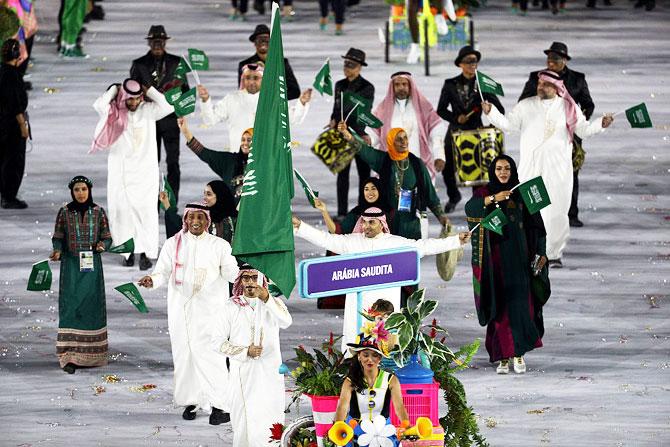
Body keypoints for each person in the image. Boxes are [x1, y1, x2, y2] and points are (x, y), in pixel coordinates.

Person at [482, 71, 614, 267]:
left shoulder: (568, 108)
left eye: (545, 84)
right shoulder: (525, 106)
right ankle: (531, 251)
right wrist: (491, 111)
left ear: (556, 87)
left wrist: (600, 124)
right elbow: (509, 126)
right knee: (531, 211)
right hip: (531, 170)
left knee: (557, 211)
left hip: (558, 171)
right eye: (539, 83)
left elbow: (583, 130)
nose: (540, 87)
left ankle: (553, 254)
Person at [293, 208, 469, 349]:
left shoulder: (395, 242)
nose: (366, 226)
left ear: (381, 224)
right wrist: (300, 227)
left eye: (372, 222)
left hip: (386, 305)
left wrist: (455, 241)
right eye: (364, 222)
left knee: (386, 346)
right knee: (355, 344)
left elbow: (424, 246)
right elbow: (326, 240)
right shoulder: (352, 242)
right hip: (358, 306)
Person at [138, 203, 239, 424]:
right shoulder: (173, 244)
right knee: (185, 356)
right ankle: (192, 401)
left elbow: (232, 272)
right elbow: (161, 272)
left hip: (210, 311)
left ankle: (221, 407)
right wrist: (151, 281)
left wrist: (247, 277)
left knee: (212, 357)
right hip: (180, 311)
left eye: (200, 218)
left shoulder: (219, 245)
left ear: (207, 221)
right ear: (185, 220)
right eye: (191, 217)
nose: (195, 221)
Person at [465, 155, 550, 374]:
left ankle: (519, 354)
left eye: (507, 168)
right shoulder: (484, 193)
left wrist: (541, 252)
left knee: (521, 306)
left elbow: (537, 227)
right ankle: (502, 357)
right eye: (499, 168)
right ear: (493, 171)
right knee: (499, 308)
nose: (503, 172)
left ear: (513, 171)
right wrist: (495, 198)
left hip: (520, 260)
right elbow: (471, 208)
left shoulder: (522, 192)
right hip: (495, 263)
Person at [91, 78, 173, 270]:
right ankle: (127, 252)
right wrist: (113, 89)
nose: (134, 103)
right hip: (120, 173)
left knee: (146, 213)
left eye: (137, 99)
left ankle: (144, 253)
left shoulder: (148, 111)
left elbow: (167, 107)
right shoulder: (115, 113)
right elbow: (98, 104)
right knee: (122, 214)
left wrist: (150, 90)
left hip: (145, 173)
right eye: (130, 99)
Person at [212, 265, 292, 447]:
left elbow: (286, 321)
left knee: (271, 414)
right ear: (240, 281)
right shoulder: (230, 307)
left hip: (270, 372)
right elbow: (216, 342)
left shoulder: (272, 304)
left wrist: (266, 298)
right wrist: (244, 351)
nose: (250, 282)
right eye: (246, 278)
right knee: (245, 420)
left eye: (254, 277)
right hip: (243, 372)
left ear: (262, 281)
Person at [519, 42, 595, 228]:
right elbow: (523, 101)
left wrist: (576, 121)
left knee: (569, 176)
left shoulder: (577, 79)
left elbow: (588, 104)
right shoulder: (537, 78)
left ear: (565, 60)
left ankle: (571, 214)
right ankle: (536, 212)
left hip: (567, 138)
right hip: (542, 135)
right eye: (549, 59)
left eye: (555, 59)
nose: (551, 62)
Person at [338, 123, 448, 240]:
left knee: (409, 256)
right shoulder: (384, 160)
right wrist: (347, 134)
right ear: (391, 142)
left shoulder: (416, 164)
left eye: (405, 137)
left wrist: (441, 217)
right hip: (388, 222)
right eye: (399, 139)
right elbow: (364, 151)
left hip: (410, 224)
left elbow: (429, 193)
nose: (403, 142)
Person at [49, 176, 112, 374]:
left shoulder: (98, 212)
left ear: (89, 190)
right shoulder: (65, 212)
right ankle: (68, 356)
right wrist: (57, 250)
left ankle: (91, 357)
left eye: (84, 189)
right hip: (71, 268)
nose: (81, 193)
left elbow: (107, 237)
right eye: (77, 190)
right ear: (72, 192)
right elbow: (58, 236)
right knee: (71, 306)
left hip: (92, 268)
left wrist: (103, 245)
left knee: (91, 305)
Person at [436, 45, 505, 213]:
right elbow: (441, 109)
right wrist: (455, 118)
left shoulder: (483, 85)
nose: (472, 65)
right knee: (447, 168)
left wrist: (489, 110)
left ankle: (477, 203)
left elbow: (500, 110)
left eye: (474, 61)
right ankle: (454, 196)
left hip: (477, 132)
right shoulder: (450, 84)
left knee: (479, 173)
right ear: (460, 64)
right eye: (468, 62)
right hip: (455, 131)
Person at [130, 25, 189, 202]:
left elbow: (185, 90)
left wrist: (182, 111)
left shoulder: (177, 62)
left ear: (165, 42)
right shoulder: (139, 64)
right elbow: (131, 92)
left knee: (173, 163)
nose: (157, 44)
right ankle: (150, 203)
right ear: (149, 43)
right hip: (148, 120)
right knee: (149, 163)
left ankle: (171, 203)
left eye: (160, 41)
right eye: (154, 41)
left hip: (171, 120)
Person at [198, 63, 311, 152]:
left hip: (267, 159)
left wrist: (302, 103)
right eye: (247, 77)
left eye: (256, 78)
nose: (251, 81)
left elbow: (294, 119)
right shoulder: (231, 99)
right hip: (239, 158)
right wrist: (205, 100)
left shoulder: (273, 100)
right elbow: (210, 120)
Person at [333, 330, 409, 442]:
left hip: (384, 432)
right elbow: (342, 407)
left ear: (380, 358)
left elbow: (399, 407)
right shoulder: (350, 381)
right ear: (359, 356)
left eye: (375, 355)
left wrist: (406, 425)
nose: (370, 360)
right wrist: (338, 427)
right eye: (365, 355)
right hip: (355, 431)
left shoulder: (391, 380)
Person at [371, 71, 446, 181]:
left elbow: (436, 132)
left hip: (418, 163)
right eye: (397, 85)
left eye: (404, 84)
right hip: (392, 165)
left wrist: (439, 156)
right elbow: (373, 133)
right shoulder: (383, 109)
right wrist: (367, 140)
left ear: (410, 86)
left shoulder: (423, 107)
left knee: (417, 196)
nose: (401, 87)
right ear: (392, 87)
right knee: (396, 196)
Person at [330, 48, 375, 217]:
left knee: (364, 176)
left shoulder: (367, 87)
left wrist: (353, 128)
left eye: (351, 65)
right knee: (342, 176)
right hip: (341, 135)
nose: (347, 68)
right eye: (346, 64)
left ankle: (364, 209)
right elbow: (336, 107)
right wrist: (333, 119)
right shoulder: (339, 85)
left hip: (358, 135)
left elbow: (363, 111)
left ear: (359, 67)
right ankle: (342, 212)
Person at [177, 117, 249, 197]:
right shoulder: (229, 161)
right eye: (243, 140)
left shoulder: (262, 165)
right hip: (232, 209)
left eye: (249, 140)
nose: (245, 143)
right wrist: (186, 132)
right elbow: (205, 154)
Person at [0, 38, 29, 209]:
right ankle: (9, 196)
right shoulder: (12, 76)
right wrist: (22, 126)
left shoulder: (3, 71)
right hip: (11, 125)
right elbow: (15, 104)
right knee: (13, 161)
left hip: (2, 123)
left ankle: (5, 193)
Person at [237, 24, 300, 100]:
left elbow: (295, 91)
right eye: (260, 40)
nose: (263, 43)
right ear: (255, 43)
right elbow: (242, 92)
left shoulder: (281, 63)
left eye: (266, 40)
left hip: (275, 108)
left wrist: (274, 99)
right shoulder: (245, 65)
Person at [161, 180, 236, 242]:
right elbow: (181, 230)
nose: (205, 198)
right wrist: (167, 204)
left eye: (209, 194)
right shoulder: (203, 218)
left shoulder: (236, 220)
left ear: (220, 195)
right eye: (204, 194)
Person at [314, 177, 392, 235]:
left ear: (380, 190)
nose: (370, 192)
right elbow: (338, 231)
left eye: (373, 189)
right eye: (366, 189)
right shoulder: (357, 212)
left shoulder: (390, 212)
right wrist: (324, 211)